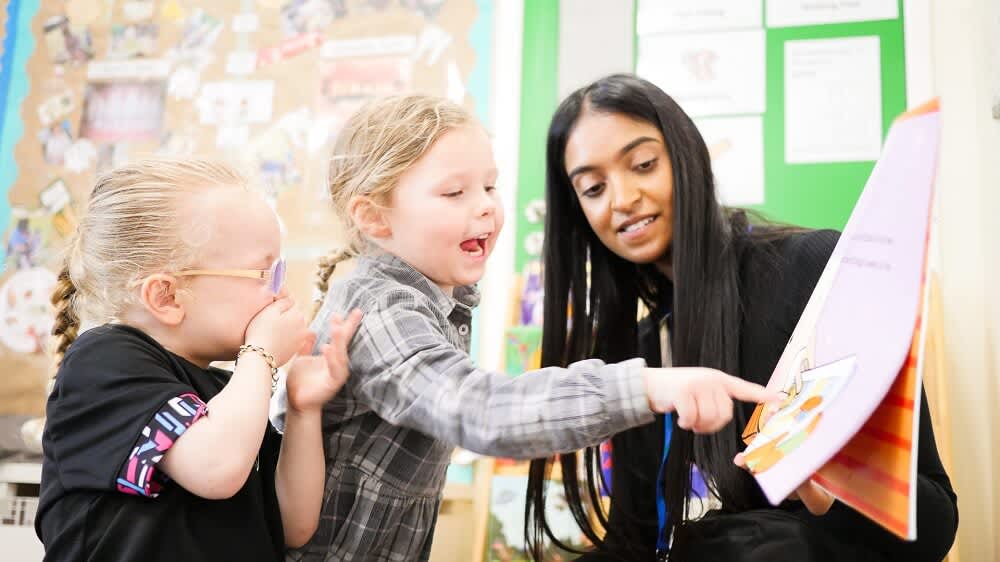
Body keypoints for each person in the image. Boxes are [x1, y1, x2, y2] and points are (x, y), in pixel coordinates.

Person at [270, 94, 778, 562]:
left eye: (490, 186)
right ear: (374, 217)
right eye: (455, 193)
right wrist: (650, 384)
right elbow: (482, 410)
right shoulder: (379, 311)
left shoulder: (431, 301)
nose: (487, 205)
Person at [526, 74, 959, 562]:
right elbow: (637, 540)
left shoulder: (814, 272)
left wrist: (832, 486)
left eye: (643, 164)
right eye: (593, 188)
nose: (622, 198)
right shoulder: (639, 350)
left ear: (687, 156)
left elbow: (935, 518)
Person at [35, 158, 361, 562]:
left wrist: (303, 408)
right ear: (167, 297)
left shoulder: (230, 393)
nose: (281, 292)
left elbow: (294, 523)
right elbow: (215, 468)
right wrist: (260, 353)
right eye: (265, 274)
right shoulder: (103, 361)